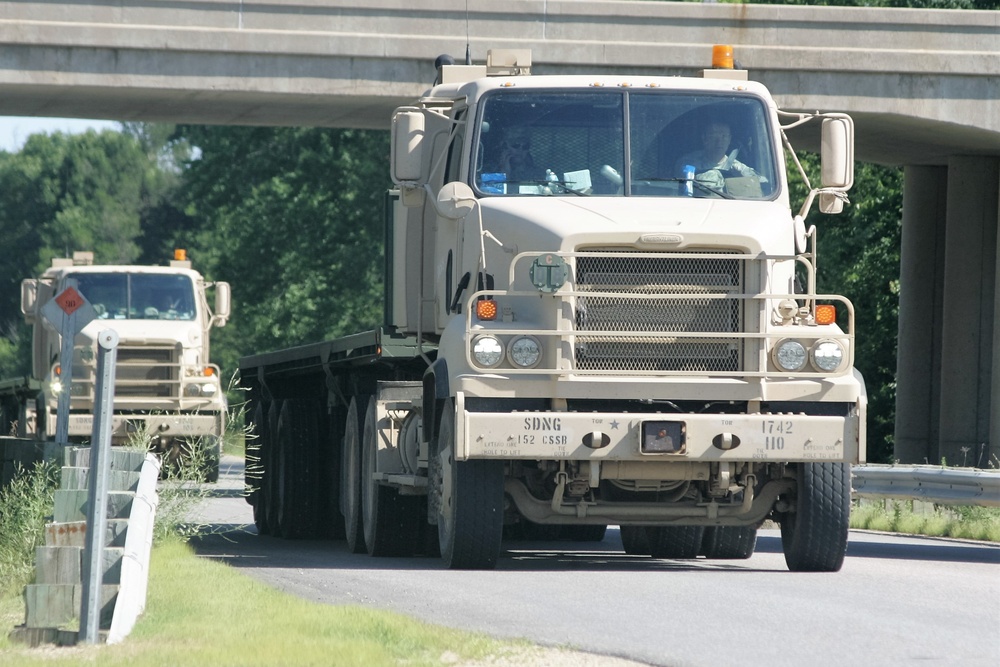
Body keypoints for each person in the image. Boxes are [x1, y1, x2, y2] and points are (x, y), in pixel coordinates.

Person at [675, 120, 761, 192]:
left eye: (724, 136)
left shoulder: (738, 168)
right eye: (713, 136)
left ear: (729, 139)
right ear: (704, 138)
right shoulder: (687, 163)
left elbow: (764, 186)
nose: (719, 141)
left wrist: (742, 180)